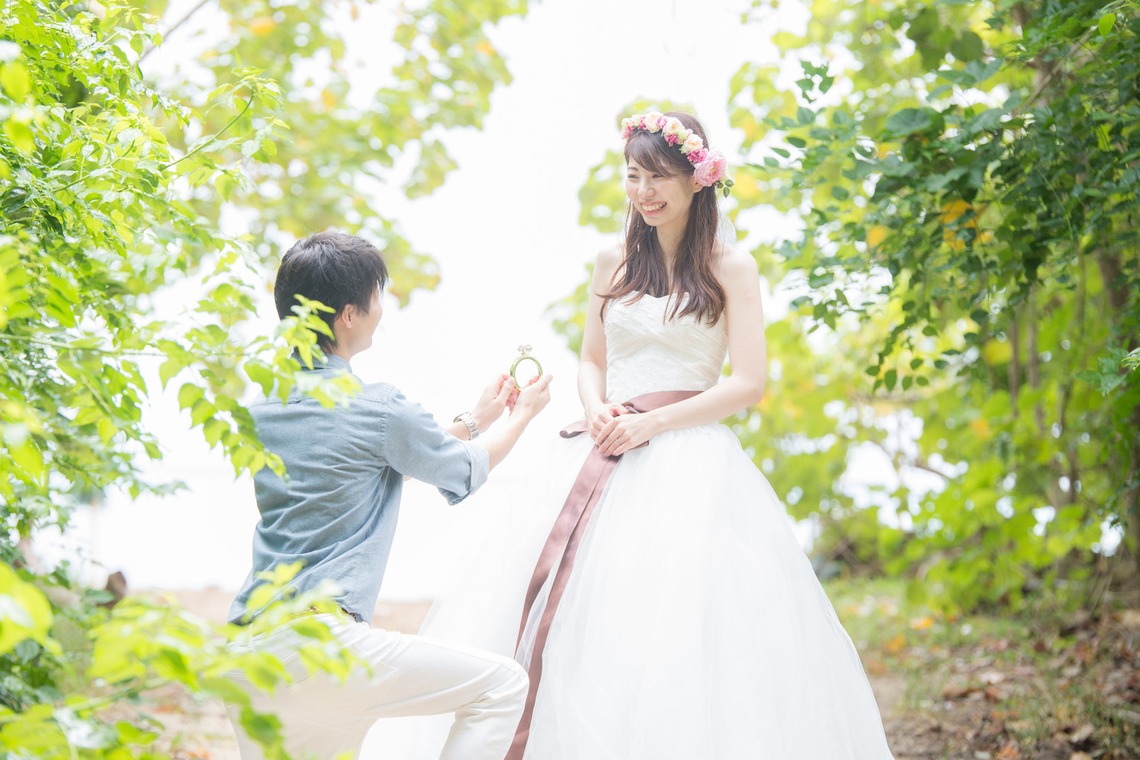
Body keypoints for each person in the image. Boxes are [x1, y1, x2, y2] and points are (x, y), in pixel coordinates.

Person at [421, 111, 895, 759]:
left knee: (679, 624)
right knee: (580, 619)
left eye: (659, 177)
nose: (644, 191)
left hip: (689, 458)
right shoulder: (611, 259)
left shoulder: (734, 268)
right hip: (603, 444)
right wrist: (597, 408)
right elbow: (591, 359)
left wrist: (654, 421)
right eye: (634, 176)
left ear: (698, 180)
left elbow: (749, 383)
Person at [223, 230, 553, 760]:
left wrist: (478, 416)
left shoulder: (262, 408)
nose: (382, 309)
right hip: (319, 647)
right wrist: (522, 416)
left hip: (247, 655)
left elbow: (376, 450)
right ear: (348, 315)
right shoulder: (378, 407)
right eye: (377, 297)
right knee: (502, 685)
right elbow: (463, 470)